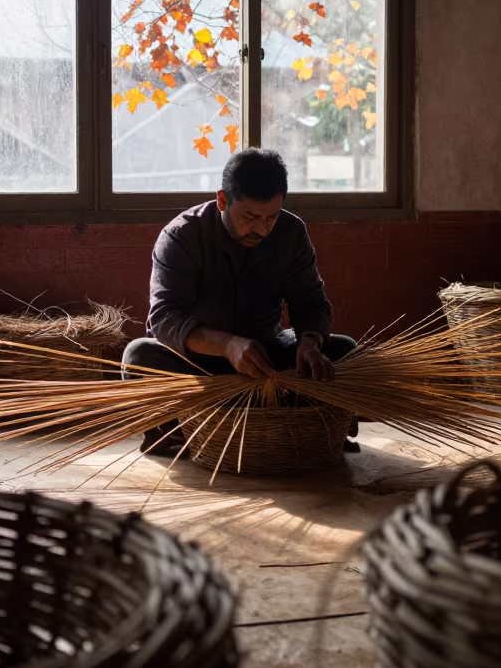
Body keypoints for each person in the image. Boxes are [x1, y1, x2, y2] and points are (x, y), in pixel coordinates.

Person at [123, 148, 359, 456]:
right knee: (139, 355)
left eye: (271, 217)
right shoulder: (182, 236)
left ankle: (314, 426)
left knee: (346, 351)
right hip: (198, 365)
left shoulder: (291, 232)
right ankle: (181, 433)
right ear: (223, 200)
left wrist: (310, 343)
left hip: (266, 358)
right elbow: (164, 318)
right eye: (249, 217)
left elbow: (312, 302)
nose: (261, 229)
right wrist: (227, 345)